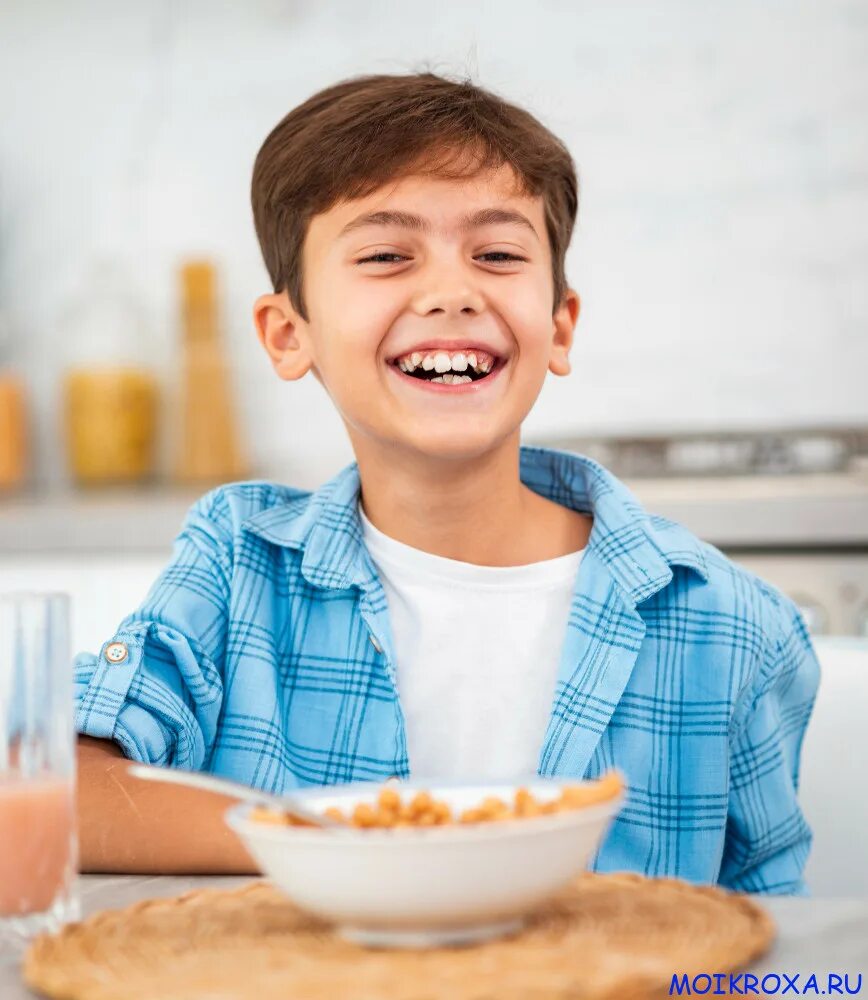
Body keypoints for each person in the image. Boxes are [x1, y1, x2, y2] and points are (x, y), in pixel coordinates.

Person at [76, 71, 820, 892]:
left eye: (497, 254)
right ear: (290, 335)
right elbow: (40, 795)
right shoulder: (234, 568)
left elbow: (772, 944)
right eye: (387, 255)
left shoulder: (734, 625)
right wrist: (346, 847)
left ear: (560, 325)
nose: (451, 293)